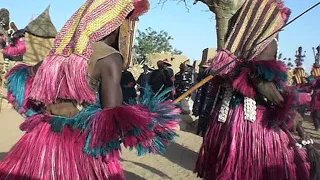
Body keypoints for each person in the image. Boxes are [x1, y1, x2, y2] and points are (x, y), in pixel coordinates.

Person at [0, 1, 180, 179]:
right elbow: (111, 114)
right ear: (113, 23)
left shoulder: (58, 53)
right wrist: (149, 121)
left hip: (42, 137)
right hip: (80, 146)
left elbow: (23, 80)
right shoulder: (108, 57)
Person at [194, 1, 310, 179]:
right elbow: (259, 81)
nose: (280, 26)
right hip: (252, 123)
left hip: (227, 119)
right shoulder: (266, 42)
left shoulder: (238, 46)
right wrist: (285, 107)